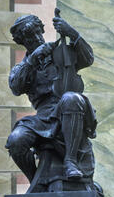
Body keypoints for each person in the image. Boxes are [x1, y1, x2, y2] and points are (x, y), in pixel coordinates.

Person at [6, 14, 97, 183]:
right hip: (43, 117)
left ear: (41, 31)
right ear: (22, 42)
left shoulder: (60, 52)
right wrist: (32, 61)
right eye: (29, 37)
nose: (35, 38)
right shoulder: (24, 66)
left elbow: (88, 58)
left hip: (70, 109)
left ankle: (71, 161)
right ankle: (36, 181)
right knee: (16, 140)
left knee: (71, 98)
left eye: (37, 33)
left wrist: (72, 33)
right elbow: (16, 88)